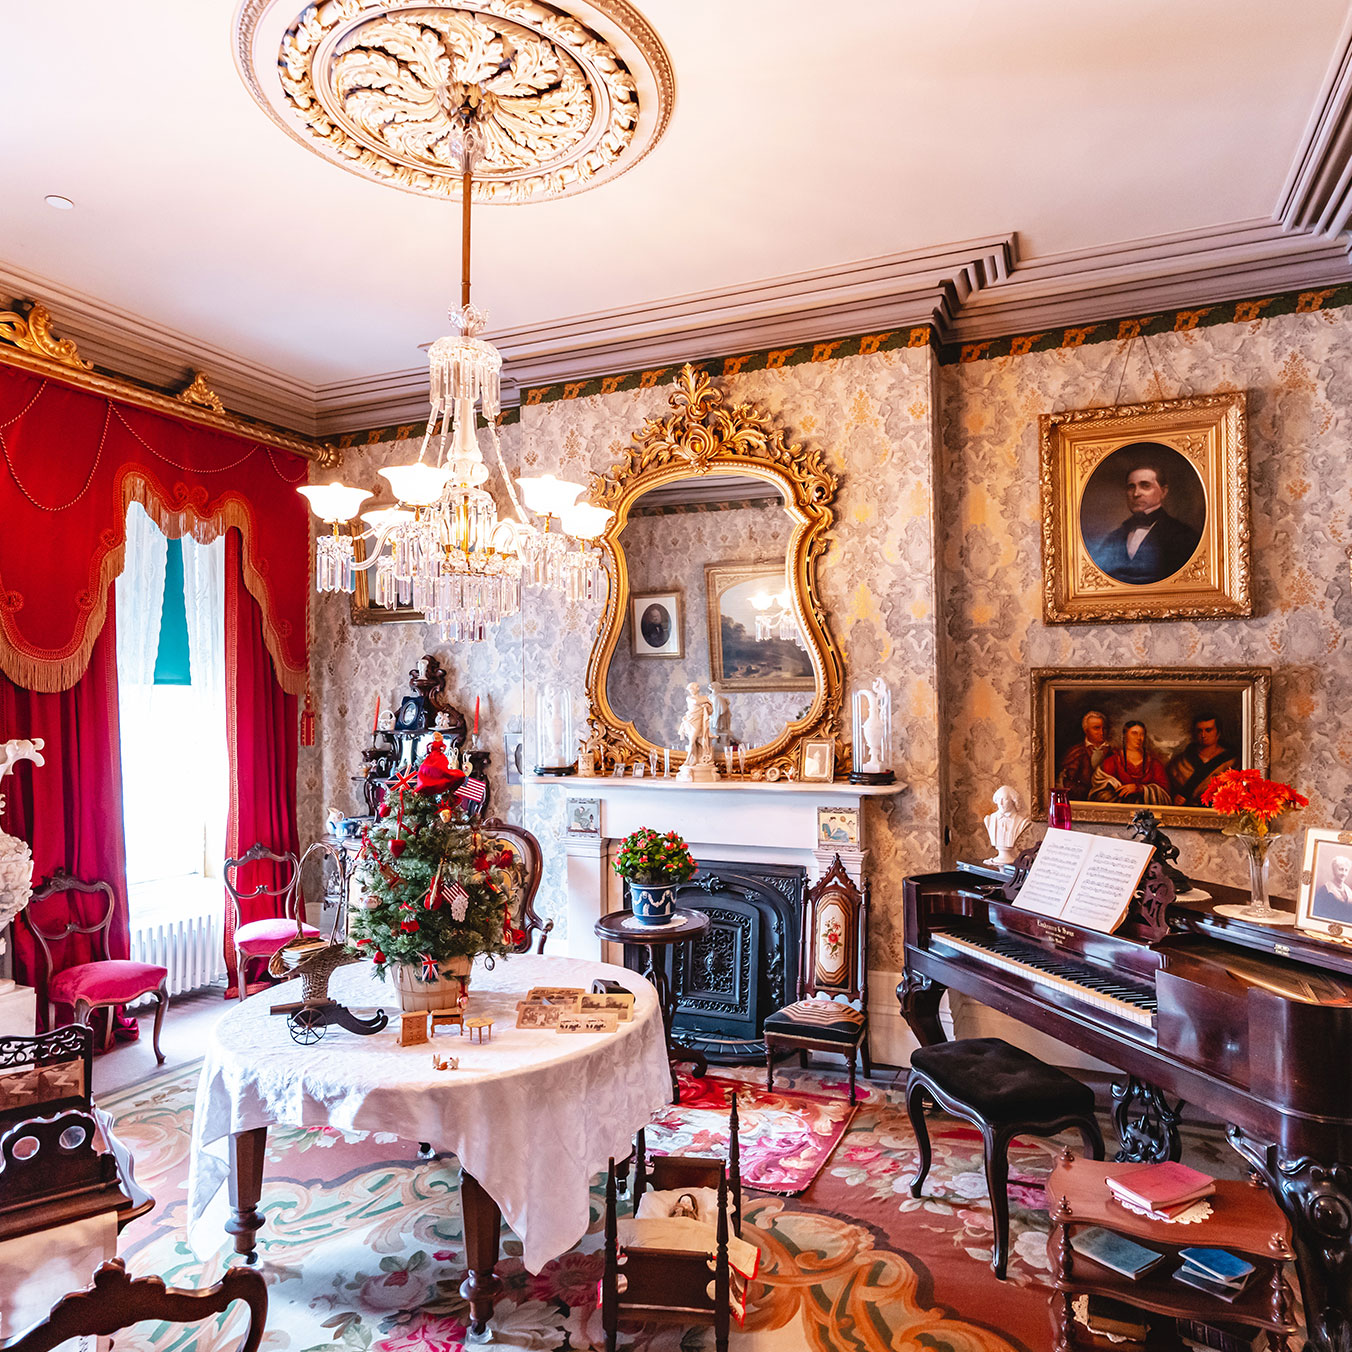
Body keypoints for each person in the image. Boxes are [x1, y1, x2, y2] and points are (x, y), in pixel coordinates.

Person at [1090, 456, 1201, 585]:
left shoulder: (1184, 536)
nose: (1136, 493)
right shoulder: (1113, 538)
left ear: (1163, 492)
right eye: (1131, 487)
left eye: (1145, 486)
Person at [1090, 720, 1170, 805]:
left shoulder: (1154, 764)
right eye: (1134, 733)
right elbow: (1100, 792)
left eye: (1142, 734)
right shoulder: (1113, 762)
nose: (1139, 738)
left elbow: (1164, 792)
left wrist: (1140, 789)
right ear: (1125, 736)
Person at [1168, 712, 1238, 807]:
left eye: (1208, 730)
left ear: (1218, 733)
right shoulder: (1180, 761)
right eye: (1199, 731)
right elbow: (1169, 790)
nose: (1203, 735)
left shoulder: (1232, 761)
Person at [1057, 709, 1110, 799]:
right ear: (1086, 730)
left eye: (1104, 728)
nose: (1102, 733)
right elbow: (1067, 782)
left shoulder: (1114, 752)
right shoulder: (1075, 752)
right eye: (1096, 728)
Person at [984, 785, 1032, 866]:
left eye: (1005, 799)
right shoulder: (989, 820)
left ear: (1013, 801)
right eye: (999, 799)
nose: (1001, 803)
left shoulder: (1022, 822)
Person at [1314, 855, 1352, 925]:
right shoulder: (1325, 890)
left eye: (1346, 870)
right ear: (1334, 870)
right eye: (1340, 869)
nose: (1343, 873)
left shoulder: (1349, 891)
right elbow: (1318, 913)